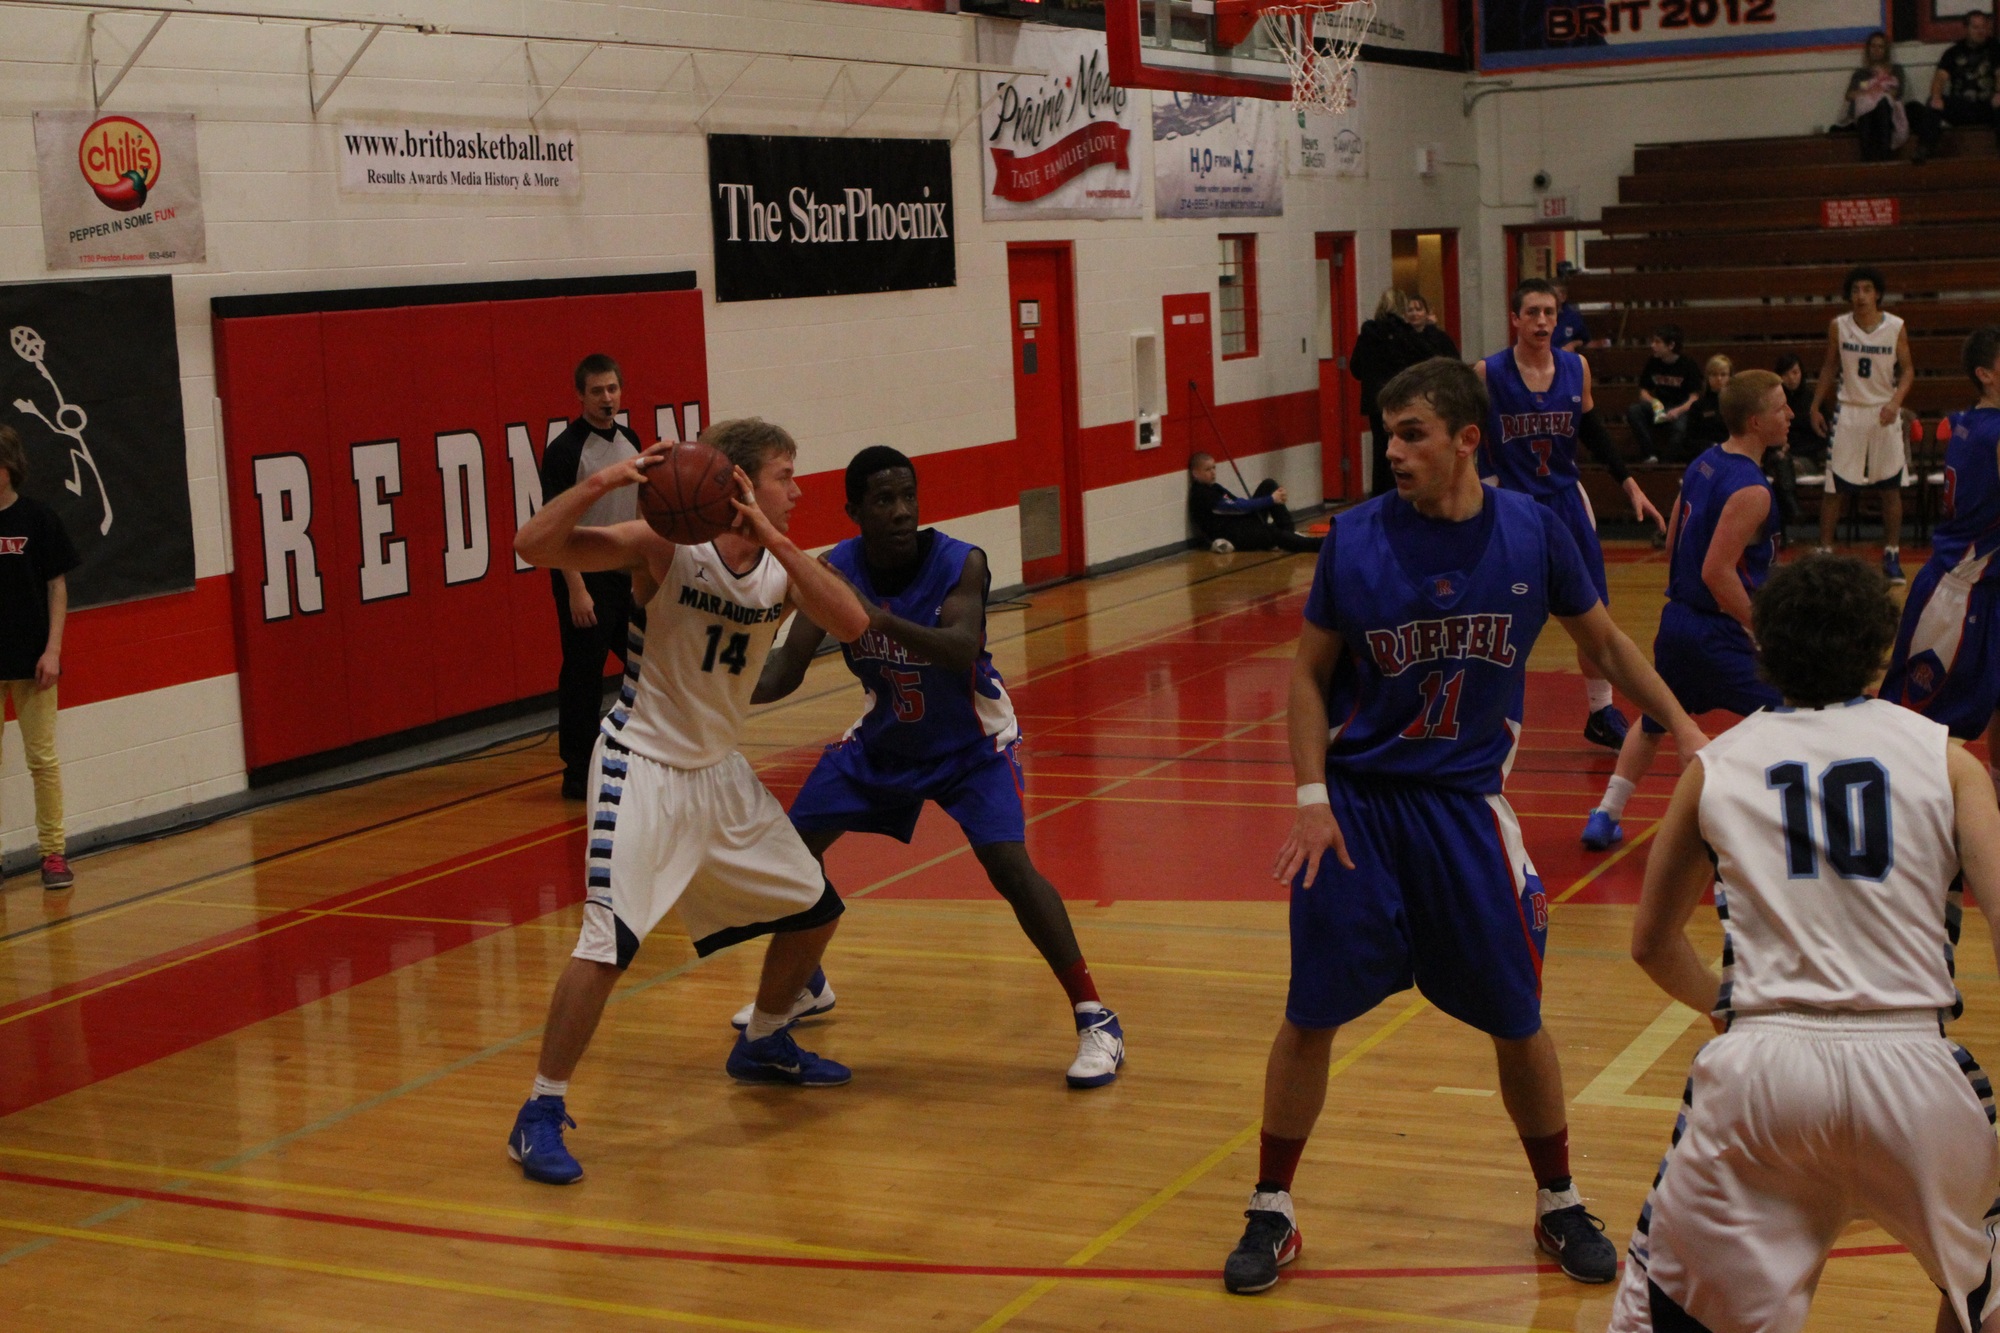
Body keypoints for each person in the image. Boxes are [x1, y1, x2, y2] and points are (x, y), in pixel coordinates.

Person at [1219, 359, 1707, 1297]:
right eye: (1388, 435)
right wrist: (1311, 795)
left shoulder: (1534, 530)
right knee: (1311, 1012)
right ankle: (1271, 1204)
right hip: (1358, 809)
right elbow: (1308, 675)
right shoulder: (1354, 539)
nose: (1393, 451)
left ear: (1466, 439)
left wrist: (1683, 728)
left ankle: (1559, 1197)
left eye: (1412, 434)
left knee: (1518, 1020)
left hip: (1464, 809)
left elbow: (1604, 642)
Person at [1608, 554, 2000, 1333]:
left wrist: (1726, 1009)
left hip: (1763, 1072)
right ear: (1880, 652)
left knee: (1676, 1314)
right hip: (1914, 1065)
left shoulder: (1716, 766)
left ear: (1765, 650)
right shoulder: (1949, 760)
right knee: (1987, 1286)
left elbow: (1651, 943)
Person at [504, 417, 873, 1186]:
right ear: (738, 482)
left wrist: (774, 539)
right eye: (784, 475)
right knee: (607, 943)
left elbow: (852, 622)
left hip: (718, 772)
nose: (799, 489)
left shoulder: (783, 565)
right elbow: (532, 546)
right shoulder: (665, 546)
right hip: (641, 764)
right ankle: (539, 1109)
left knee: (816, 908)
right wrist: (606, 481)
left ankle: (764, 1040)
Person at [746, 446, 1125, 1088]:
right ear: (855, 511)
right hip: (886, 742)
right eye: (883, 500)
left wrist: (876, 618)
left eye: (908, 497)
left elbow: (958, 648)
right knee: (789, 851)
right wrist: (716, 684)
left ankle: (1096, 1017)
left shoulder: (960, 561)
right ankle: (803, 984)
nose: (901, 511)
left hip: (970, 746)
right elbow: (784, 671)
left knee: (1008, 865)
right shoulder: (834, 569)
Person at [1580, 371, 1788, 853]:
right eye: (1781, 408)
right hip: (1717, 631)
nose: (1790, 414)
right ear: (1756, 422)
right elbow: (1718, 572)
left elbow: (1673, 537)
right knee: (1790, 712)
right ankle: (1743, 817)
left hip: (1677, 622)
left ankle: (1606, 813)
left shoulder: (1704, 462)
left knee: (1657, 718)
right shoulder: (1752, 490)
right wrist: (1761, 627)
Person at [1477, 278, 1668, 752]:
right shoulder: (1488, 373)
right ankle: (1485, 714)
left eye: (1549, 312)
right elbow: (1467, 436)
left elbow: (1593, 429)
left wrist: (1628, 482)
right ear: (1515, 319)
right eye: (1533, 312)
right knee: (1503, 617)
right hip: (1513, 506)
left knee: (1593, 615)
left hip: (1565, 502)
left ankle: (1601, 712)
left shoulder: (1575, 367)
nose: (1542, 321)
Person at [1880, 327, 2000, 772]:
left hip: (1984, 587)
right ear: (1985, 374)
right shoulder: (1993, 432)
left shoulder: (1968, 421)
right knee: (1920, 720)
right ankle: (1896, 795)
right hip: (1960, 593)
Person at [541, 354, 643, 801]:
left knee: (648, 667)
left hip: (624, 573)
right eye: (598, 390)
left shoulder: (630, 440)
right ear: (580, 396)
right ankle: (578, 771)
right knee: (584, 675)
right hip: (585, 575)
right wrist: (577, 590)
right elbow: (556, 528)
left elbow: (638, 510)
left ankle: (641, 756)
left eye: (613, 389)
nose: (607, 398)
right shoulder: (565, 451)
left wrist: (642, 570)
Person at [0, 425, 78, 891]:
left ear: (8, 468)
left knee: (42, 760)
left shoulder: (39, 519)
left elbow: (57, 587)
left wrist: (53, 650)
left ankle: (53, 854)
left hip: (34, 663)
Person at [1811, 265, 1915, 583]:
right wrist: (1815, 405)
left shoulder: (1895, 326)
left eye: (1867, 289)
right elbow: (1829, 367)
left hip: (1884, 412)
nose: (1861, 296)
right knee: (1834, 487)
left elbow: (1908, 371)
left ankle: (1892, 554)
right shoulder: (1839, 326)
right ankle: (1825, 552)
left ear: (1878, 293)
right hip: (1849, 411)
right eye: (1855, 290)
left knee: (1890, 488)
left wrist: (1895, 402)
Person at [1349, 288, 1433, 496]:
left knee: (1380, 450)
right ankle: (1400, 491)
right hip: (1400, 401)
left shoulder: (1368, 333)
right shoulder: (1406, 334)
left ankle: (1379, 495)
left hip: (1375, 403)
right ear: (1401, 307)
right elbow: (1427, 362)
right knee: (1402, 448)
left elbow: (1355, 368)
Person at [1187, 453, 1322, 554]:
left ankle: (1289, 533)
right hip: (1234, 534)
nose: (1213, 473)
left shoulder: (1214, 487)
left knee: (1269, 485)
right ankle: (1318, 544)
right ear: (1195, 473)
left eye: (1214, 468)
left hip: (1242, 523)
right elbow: (1237, 507)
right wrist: (1270, 500)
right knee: (1273, 533)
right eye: (1207, 470)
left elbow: (1238, 501)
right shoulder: (1201, 495)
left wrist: (1275, 496)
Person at [1912, 9, 2000, 164]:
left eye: (1983, 27)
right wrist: (1936, 97)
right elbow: (1940, 78)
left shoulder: (1995, 48)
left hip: (1987, 105)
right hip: (1962, 107)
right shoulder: (1953, 52)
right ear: (1966, 29)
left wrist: (1999, 92)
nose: (1981, 31)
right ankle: (1925, 149)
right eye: (1976, 27)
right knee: (1931, 103)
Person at [1835, 31, 1918, 162]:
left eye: (1880, 47)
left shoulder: (1895, 70)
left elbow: (1897, 92)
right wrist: (1871, 92)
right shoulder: (1861, 73)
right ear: (1868, 49)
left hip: (1887, 113)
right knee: (1866, 107)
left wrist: (1877, 91)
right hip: (1865, 115)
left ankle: (1884, 157)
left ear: (1886, 50)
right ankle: (1867, 159)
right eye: (1873, 46)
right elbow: (1850, 95)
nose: (1876, 50)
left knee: (1883, 103)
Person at [1625, 325, 1701, 464]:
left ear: (1671, 345)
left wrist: (1677, 411)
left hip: (1681, 409)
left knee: (1680, 428)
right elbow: (1643, 391)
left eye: (1657, 342)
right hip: (1659, 407)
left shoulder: (1688, 365)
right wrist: (1655, 402)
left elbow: (1694, 398)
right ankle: (1649, 454)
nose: (1652, 345)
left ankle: (1666, 463)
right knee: (1634, 410)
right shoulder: (1653, 362)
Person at [1682, 355, 1733, 456]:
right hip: (1707, 453)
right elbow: (1689, 440)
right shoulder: (1698, 406)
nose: (1719, 378)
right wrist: (1712, 446)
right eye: (1714, 374)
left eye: (1723, 374)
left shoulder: (1738, 404)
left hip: (1733, 453)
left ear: (1730, 377)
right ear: (1708, 377)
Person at [1405, 294, 1459, 361]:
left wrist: (1431, 328)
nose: (1414, 313)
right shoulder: (1403, 337)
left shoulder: (1441, 337)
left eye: (1418, 310)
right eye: (1410, 310)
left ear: (1427, 313)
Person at [1551, 273, 1589, 353]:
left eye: (1554, 295)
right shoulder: (1540, 317)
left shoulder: (1573, 317)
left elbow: (1584, 339)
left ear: (1563, 297)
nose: (1550, 299)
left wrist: (1573, 344)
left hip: (1564, 356)